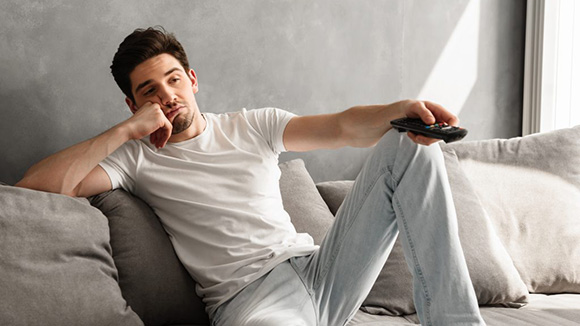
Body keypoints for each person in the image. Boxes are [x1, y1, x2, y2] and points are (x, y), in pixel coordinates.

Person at [16, 26, 486, 326]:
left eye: (174, 79)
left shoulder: (251, 124)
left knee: (412, 146)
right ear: (134, 102)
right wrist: (125, 131)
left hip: (322, 268)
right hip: (251, 301)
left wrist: (397, 112)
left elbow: (341, 126)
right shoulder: (134, 159)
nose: (168, 95)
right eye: (150, 91)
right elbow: (37, 188)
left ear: (193, 79)